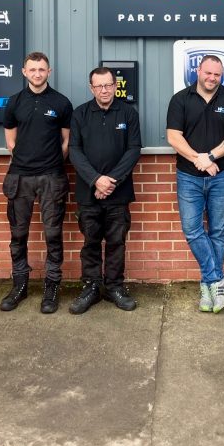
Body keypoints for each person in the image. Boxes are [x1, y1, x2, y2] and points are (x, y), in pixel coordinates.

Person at [166, 54, 224, 313]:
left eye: (217, 74)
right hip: (188, 176)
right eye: (208, 73)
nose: (212, 78)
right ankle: (216, 279)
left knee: (218, 231)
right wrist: (198, 160)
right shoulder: (180, 99)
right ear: (198, 71)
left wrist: (211, 157)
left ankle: (208, 286)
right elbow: (173, 137)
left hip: (222, 175)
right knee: (191, 230)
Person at [0, 52, 73, 314]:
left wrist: (49, 161)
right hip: (20, 177)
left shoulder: (61, 102)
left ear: (49, 72)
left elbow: (66, 142)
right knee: (18, 235)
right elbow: (10, 141)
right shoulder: (14, 102)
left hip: (52, 177)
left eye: (42, 69)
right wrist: (26, 160)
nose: (37, 73)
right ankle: (19, 285)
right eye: (32, 69)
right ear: (24, 72)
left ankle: (51, 287)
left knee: (53, 235)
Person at [67, 67, 142, 314]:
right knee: (90, 242)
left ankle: (114, 288)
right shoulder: (80, 114)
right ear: (91, 88)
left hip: (118, 193)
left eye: (108, 85)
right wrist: (96, 180)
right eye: (99, 86)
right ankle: (90, 287)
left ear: (114, 85)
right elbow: (75, 151)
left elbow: (133, 150)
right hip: (88, 193)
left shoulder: (128, 113)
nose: (104, 90)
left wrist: (110, 181)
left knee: (116, 242)